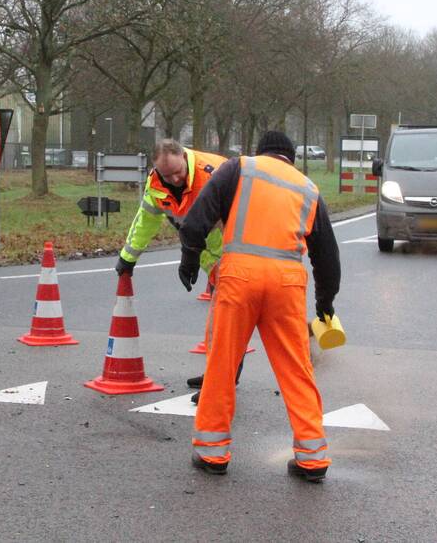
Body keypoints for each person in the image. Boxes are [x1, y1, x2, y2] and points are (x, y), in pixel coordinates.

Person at [178, 131, 341, 482]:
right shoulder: (308, 188)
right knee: (296, 370)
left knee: (222, 362)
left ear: (261, 151)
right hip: (287, 284)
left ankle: (213, 453)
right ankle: (313, 458)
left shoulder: (239, 169)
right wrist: (325, 303)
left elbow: (195, 222)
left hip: (239, 279)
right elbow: (327, 257)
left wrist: (190, 259)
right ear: (292, 159)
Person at [115, 139, 239, 392]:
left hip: (234, 253)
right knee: (222, 320)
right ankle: (220, 376)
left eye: (177, 172)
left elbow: (237, 219)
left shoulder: (214, 174)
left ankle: (220, 381)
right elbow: (146, 221)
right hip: (208, 257)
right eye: (166, 174)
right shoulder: (157, 182)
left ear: (184, 157)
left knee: (226, 319)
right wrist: (129, 256)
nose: (174, 180)